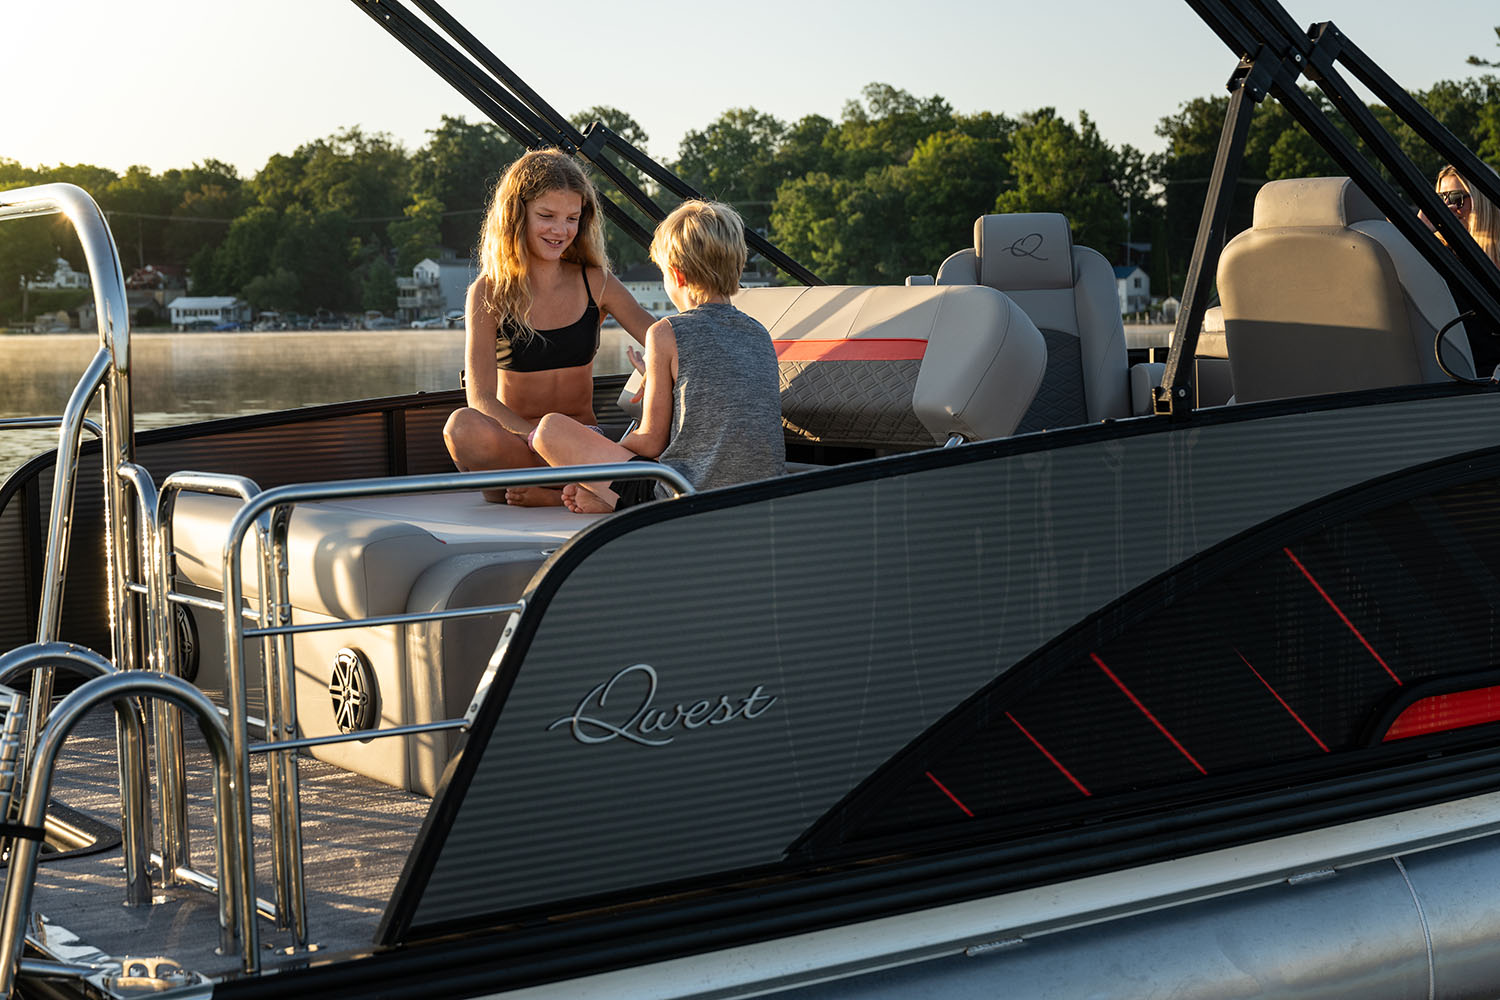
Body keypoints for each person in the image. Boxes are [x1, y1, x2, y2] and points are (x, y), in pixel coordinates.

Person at [528, 200, 785, 513]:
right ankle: (601, 496)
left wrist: (605, 453)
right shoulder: (760, 334)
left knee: (549, 431)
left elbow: (651, 441)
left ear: (676, 275)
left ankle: (600, 494)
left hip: (683, 498)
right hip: (762, 497)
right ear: (738, 267)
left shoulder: (666, 332)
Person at [443, 149, 656, 505]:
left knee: (647, 432)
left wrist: (657, 369)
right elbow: (480, 399)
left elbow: (663, 337)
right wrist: (535, 439)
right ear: (516, 215)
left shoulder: (596, 281)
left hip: (578, 442)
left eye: (572, 218)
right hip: (517, 443)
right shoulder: (488, 292)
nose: (561, 230)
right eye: (546, 216)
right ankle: (574, 490)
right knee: (462, 427)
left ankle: (549, 493)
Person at [1435, 164, 1500, 269]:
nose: (1447, 206)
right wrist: (1422, 227)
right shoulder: (1440, 252)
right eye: (1441, 198)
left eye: (1456, 198)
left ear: (1482, 202)